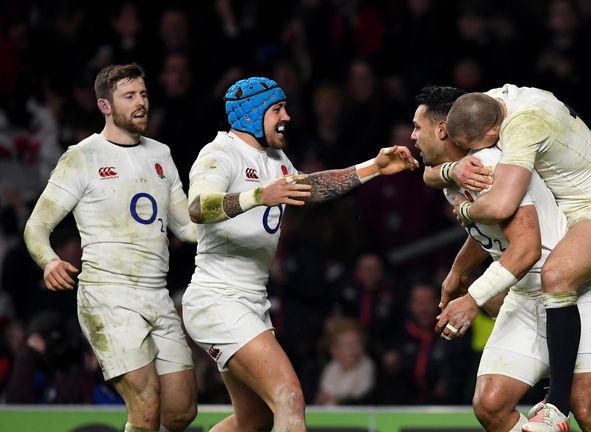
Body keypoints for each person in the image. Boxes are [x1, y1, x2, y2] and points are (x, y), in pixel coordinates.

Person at [181, 76, 418, 432]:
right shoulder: (219, 154)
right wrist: (259, 195)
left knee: (254, 419)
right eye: (277, 109)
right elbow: (199, 207)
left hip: (250, 302)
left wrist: (375, 167)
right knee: (289, 395)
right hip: (218, 300)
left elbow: (313, 187)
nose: (287, 116)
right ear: (250, 115)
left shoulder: (274, 157)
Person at [427, 84, 591, 431]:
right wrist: (444, 174)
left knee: (558, 275)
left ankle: (556, 405)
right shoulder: (489, 104)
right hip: (542, 267)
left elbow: (501, 210)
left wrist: (466, 211)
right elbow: (496, 228)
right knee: (490, 405)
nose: (411, 135)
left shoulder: (518, 133)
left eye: (416, 127)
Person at [23, 63, 198, 432]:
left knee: (181, 412)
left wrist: (242, 209)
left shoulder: (161, 154)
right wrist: (49, 260)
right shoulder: (82, 156)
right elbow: (37, 226)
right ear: (105, 106)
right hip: (107, 295)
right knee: (146, 405)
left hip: (157, 295)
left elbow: (187, 228)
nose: (141, 103)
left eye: (144, 95)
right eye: (129, 96)